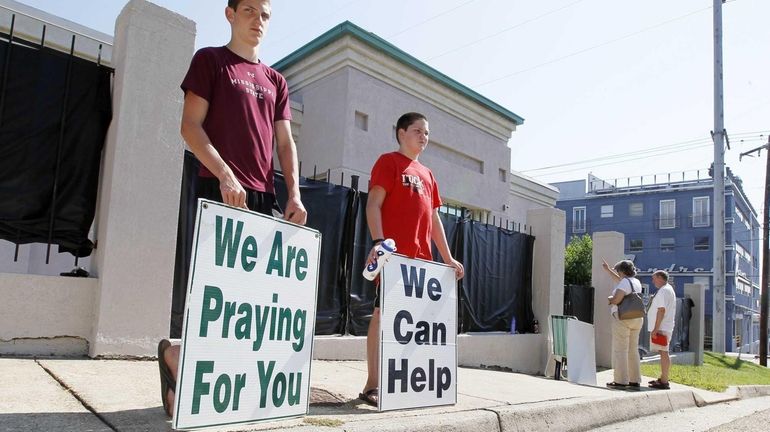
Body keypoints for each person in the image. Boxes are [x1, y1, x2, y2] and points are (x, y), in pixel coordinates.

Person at [157, 0, 307, 418]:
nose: (257, 21)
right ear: (230, 14)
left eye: (265, 15)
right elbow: (190, 125)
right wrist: (224, 173)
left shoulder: (276, 80)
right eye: (249, 11)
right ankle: (180, 360)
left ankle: (204, 377)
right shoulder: (211, 61)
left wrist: (293, 192)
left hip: (261, 195)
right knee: (212, 294)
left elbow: (285, 143)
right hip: (216, 186)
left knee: (250, 301)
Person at [358, 112, 464, 407]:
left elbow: (433, 220)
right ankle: (372, 385)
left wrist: (448, 258)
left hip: (422, 265)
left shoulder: (429, 175)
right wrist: (380, 244)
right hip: (394, 261)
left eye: (427, 133)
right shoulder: (388, 162)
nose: (423, 137)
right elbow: (373, 204)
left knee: (416, 325)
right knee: (382, 317)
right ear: (401, 132)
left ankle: (406, 383)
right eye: (417, 131)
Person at [602, 258, 644, 390]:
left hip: (623, 318)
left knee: (621, 349)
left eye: (618, 271)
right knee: (633, 350)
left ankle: (620, 380)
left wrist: (610, 299)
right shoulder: (635, 281)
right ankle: (634, 380)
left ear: (622, 271)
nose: (618, 273)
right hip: (637, 318)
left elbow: (616, 300)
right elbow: (621, 282)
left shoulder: (624, 283)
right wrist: (608, 271)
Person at [647, 270, 676, 390]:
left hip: (662, 327)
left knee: (664, 352)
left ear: (660, 277)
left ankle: (664, 381)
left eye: (654, 278)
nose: (653, 281)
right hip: (665, 326)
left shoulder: (664, 291)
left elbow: (661, 310)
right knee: (663, 352)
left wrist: (655, 329)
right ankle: (663, 378)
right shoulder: (668, 289)